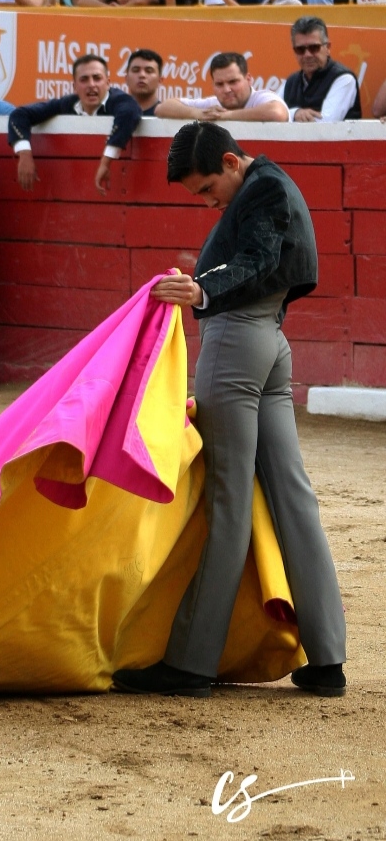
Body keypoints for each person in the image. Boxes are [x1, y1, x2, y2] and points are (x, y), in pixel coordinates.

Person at [112, 121, 347, 699]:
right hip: (270, 340)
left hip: (239, 342)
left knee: (228, 497)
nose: (206, 200)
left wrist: (202, 291)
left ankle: (191, 663)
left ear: (230, 161)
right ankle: (328, 660)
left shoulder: (263, 188)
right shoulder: (273, 184)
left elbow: (261, 256)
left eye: (206, 187)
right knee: (293, 497)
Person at [8, 53, 142, 195]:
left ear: (108, 83)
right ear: (75, 86)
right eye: (84, 79)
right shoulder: (68, 103)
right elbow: (19, 114)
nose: (91, 85)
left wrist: (106, 162)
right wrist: (24, 154)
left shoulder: (120, 100)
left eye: (97, 78)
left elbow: (130, 113)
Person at [156, 52, 289, 122]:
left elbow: (277, 113)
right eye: (220, 84)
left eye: (233, 82)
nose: (226, 89)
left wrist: (227, 116)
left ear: (248, 79)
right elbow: (162, 108)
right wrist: (198, 114)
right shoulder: (212, 106)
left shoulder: (261, 97)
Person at [280, 16, 361, 123]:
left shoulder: (344, 79)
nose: (307, 55)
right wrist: (295, 113)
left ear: (327, 48)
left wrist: (287, 115)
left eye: (314, 48)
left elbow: (325, 123)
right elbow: (270, 112)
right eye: (300, 49)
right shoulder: (291, 82)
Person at [125, 48, 162, 115]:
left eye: (149, 71)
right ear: (126, 78)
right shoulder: (112, 114)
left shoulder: (167, 116)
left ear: (160, 80)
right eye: (136, 70)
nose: (142, 75)